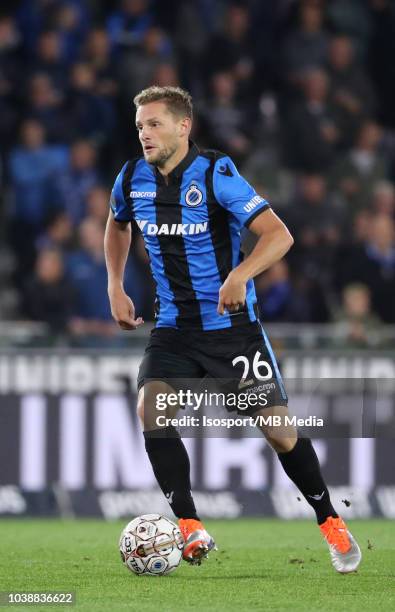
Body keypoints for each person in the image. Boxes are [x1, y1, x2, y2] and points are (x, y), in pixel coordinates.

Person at [104, 85, 361, 573]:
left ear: (184, 126)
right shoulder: (131, 177)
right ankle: (188, 526)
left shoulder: (215, 173)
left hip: (233, 330)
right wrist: (115, 284)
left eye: (154, 123)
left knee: (280, 433)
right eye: (140, 125)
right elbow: (118, 225)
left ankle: (330, 521)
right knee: (151, 406)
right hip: (175, 328)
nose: (144, 133)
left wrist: (240, 274)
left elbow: (278, 235)